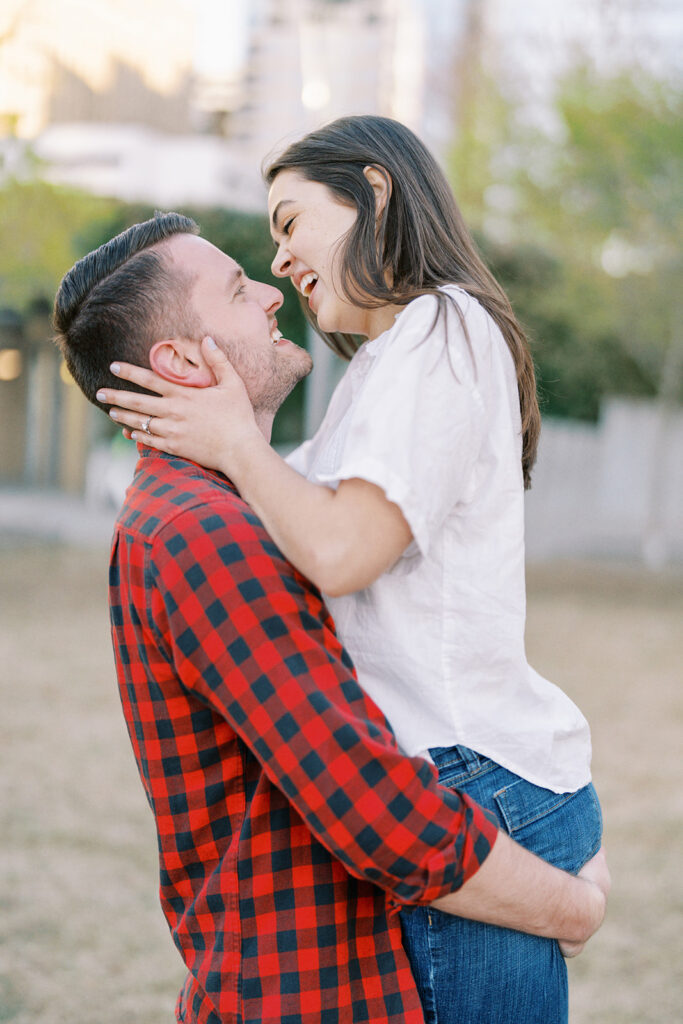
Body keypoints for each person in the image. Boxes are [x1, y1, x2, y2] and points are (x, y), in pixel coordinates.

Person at [97, 118, 607, 1024]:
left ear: (374, 191)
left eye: (290, 223)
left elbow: (337, 551)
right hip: (465, 780)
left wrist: (228, 441)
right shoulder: (385, 365)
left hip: (468, 782)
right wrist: (217, 440)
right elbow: (305, 512)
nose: (279, 263)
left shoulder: (440, 325)